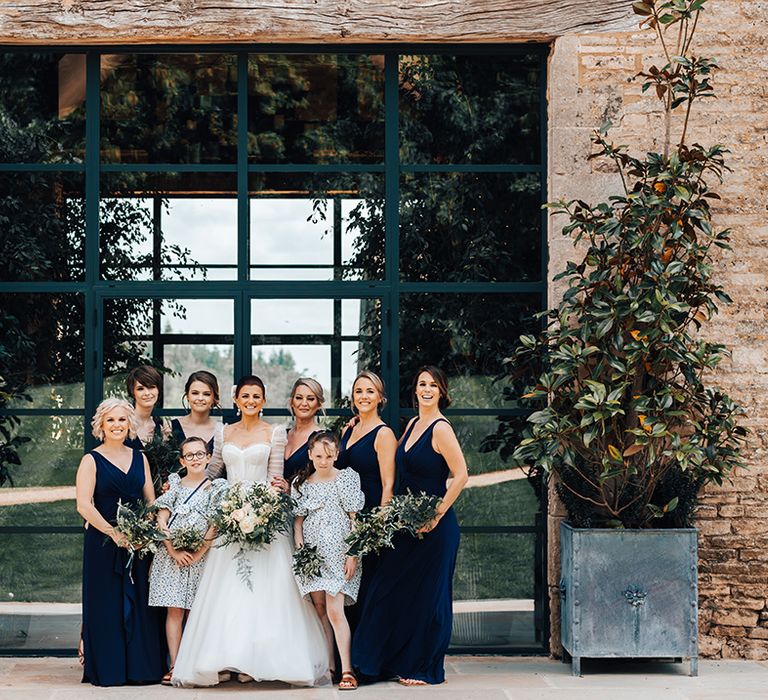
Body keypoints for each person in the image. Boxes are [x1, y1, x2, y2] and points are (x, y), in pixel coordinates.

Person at [171, 375, 329, 688]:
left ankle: (260, 661)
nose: (251, 401)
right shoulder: (222, 431)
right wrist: (178, 484)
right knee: (228, 594)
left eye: (256, 396)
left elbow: (275, 477)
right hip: (229, 518)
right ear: (236, 399)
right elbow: (214, 472)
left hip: (264, 518)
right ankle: (227, 661)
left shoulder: (275, 432)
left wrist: (261, 512)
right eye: (245, 396)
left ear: (264, 399)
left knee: (265, 592)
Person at [352, 366, 469, 686]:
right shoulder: (415, 423)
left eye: (433, 385)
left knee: (430, 599)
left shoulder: (441, 428)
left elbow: (461, 475)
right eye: (422, 384)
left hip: (436, 528)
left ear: (442, 392)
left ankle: (424, 667)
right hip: (407, 523)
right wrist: (357, 423)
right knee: (389, 590)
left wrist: (437, 514)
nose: (427, 389)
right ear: (415, 390)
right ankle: (388, 661)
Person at [75, 398, 166, 686]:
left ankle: (140, 669)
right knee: (106, 605)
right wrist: (114, 534)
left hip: (137, 545)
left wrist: (143, 533)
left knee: (139, 604)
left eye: (122, 420)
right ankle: (109, 669)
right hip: (103, 544)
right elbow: (84, 505)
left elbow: (150, 502)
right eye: (111, 420)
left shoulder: (140, 458)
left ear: (130, 424)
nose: (117, 425)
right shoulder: (91, 459)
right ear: (101, 425)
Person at [292, 431, 365, 692]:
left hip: (338, 553)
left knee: (336, 611)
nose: (324, 461)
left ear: (337, 454)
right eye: (319, 456)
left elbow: (355, 518)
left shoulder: (345, 478)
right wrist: (302, 554)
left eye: (329, 456)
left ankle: (347, 669)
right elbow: (298, 522)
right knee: (321, 609)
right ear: (310, 454)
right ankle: (329, 666)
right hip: (314, 555)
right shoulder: (302, 484)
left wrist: (352, 553)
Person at [149, 437, 216, 685]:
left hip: (202, 557)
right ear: (182, 460)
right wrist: (174, 551)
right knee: (175, 610)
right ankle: (175, 664)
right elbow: (162, 520)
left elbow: (214, 525)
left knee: (196, 612)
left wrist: (198, 552)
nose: (196, 459)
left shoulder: (217, 487)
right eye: (190, 455)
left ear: (209, 457)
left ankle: (193, 663)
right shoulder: (175, 484)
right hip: (172, 558)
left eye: (200, 454)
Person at [337, 370, 396, 633]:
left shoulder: (384, 434)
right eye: (359, 391)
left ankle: (368, 660)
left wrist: (378, 525)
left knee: (370, 588)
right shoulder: (350, 430)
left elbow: (389, 484)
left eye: (370, 391)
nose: (364, 396)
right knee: (351, 587)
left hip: (371, 518)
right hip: (349, 518)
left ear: (380, 397)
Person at [168, 370, 224, 477]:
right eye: (195, 393)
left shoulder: (222, 431)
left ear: (214, 398)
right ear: (187, 396)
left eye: (206, 394)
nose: (200, 398)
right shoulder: (170, 428)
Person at [283, 377, 326, 484]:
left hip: (308, 500)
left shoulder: (323, 439)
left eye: (310, 399)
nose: (304, 403)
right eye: (299, 398)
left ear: (319, 404)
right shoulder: (282, 435)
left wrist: (291, 490)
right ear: (292, 402)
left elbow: (325, 484)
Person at [124, 365, 171, 449]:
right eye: (140, 389)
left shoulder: (160, 428)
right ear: (132, 392)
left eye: (151, 387)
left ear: (158, 390)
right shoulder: (123, 424)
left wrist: (166, 442)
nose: (147, 393)